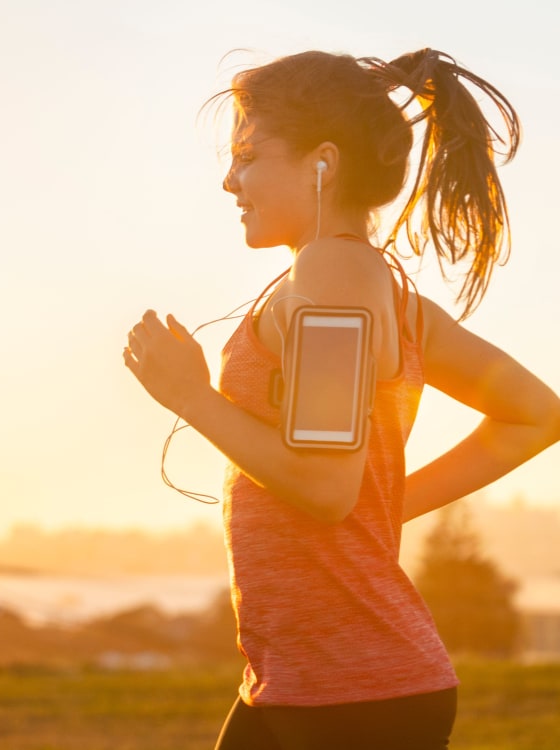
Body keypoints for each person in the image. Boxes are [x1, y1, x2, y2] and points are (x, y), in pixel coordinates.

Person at [123, 49, 560, 750]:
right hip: (312, 682)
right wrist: (387, 504)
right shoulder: (389, 297)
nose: (229, 180)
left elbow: (325, 488)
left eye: (247, 154)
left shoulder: (329, 273)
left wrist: (190, 397)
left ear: (322, 163)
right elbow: (534, 415)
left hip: (353, 695)